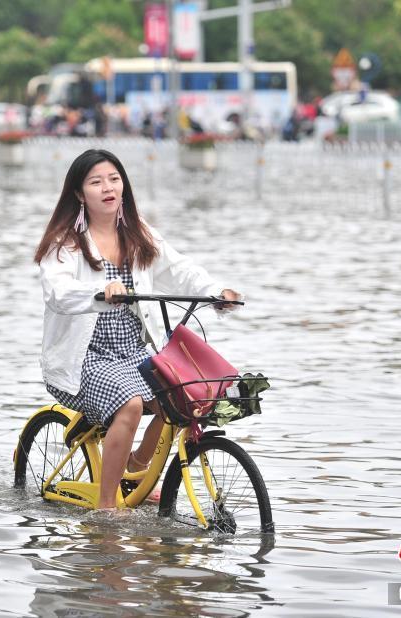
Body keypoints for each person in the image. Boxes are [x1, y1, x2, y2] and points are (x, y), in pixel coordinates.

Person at [34, 149, 241, 510]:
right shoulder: (66, 243)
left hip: (133, 352)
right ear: (80, 194)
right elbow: (58, 292)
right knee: (130, 405)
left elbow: (181, 269)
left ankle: (137, 468)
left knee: (181, 394)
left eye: (114, 179)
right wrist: (99, 292)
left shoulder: (138, 232)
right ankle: (106, 505)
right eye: (96, 182)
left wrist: (216, 293)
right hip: (85, 359)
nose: (108, 188)